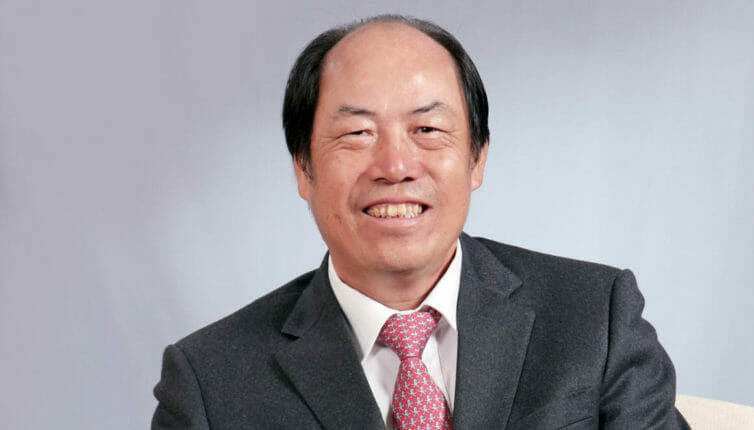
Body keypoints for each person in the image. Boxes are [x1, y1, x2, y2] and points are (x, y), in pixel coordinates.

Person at [152, 15, 689, 429]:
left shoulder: (594, 318)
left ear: (477, 158)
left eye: (427, 129)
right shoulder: (209, 384)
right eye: (357, 134)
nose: (395, 166)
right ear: (303, 169)